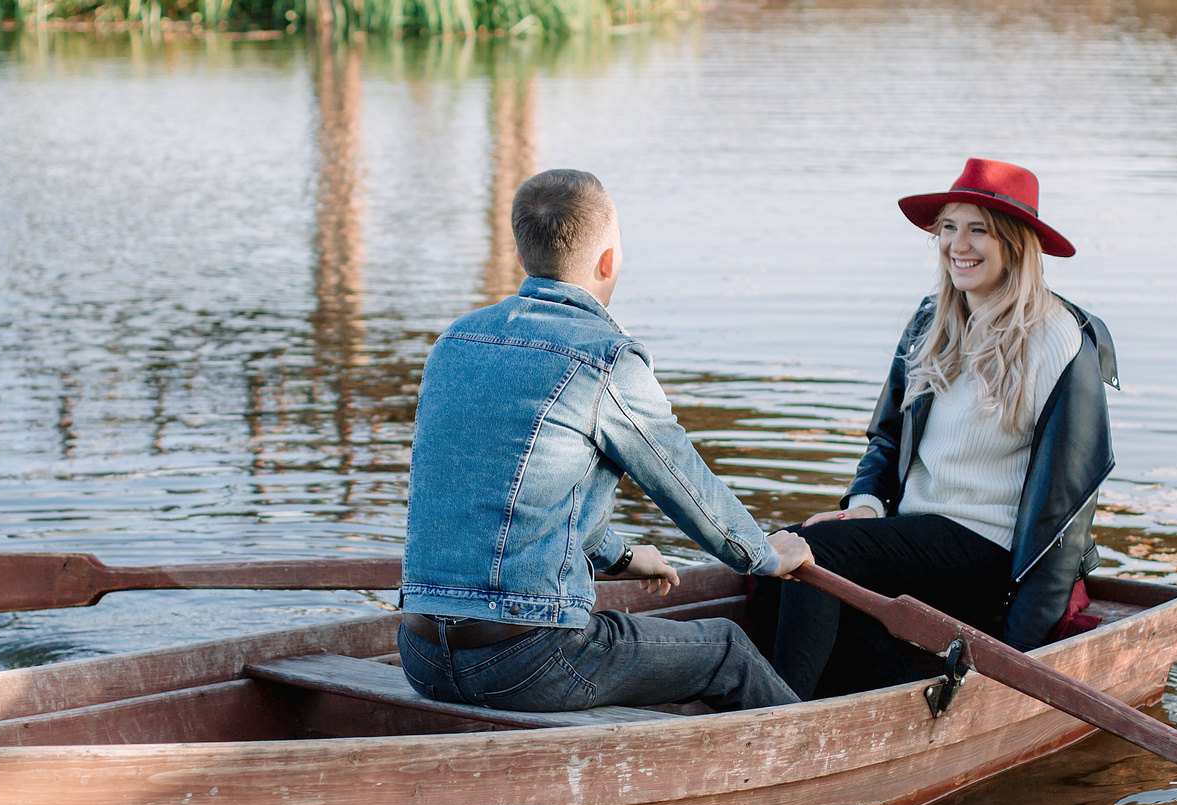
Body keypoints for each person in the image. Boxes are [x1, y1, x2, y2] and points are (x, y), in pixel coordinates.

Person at [398, 168, 814, 715]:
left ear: (523, 258)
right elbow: (684, 484)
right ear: (608, 260)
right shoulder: (606, 359)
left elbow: (533, 492)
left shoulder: (454, 342)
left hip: (422, 657)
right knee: (728, 650)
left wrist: (620, 558)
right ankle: (833, 768)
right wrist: (763, 555)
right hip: (528, 660)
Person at [772, 158, 1118, 700]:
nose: (959, 244)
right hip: (918, 534)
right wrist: (865, 506)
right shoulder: (930, 322)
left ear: (1015, 243)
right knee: (774, 562)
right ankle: (906, 689)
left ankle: (776, 720)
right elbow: (888, 438)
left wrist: (1024, 652)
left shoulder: (1060, 340)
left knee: (819, 551)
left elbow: (1065, 507)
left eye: (978, 229)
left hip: (989, 549)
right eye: (949, 228)